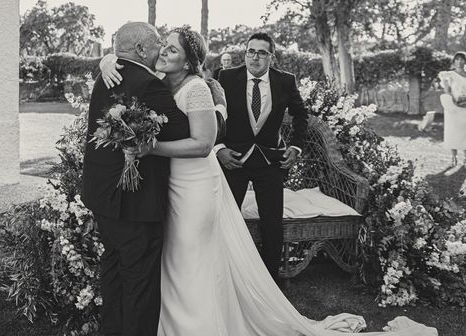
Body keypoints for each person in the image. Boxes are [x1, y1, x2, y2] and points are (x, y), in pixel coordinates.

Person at [100, 27, 436, 336]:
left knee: (199, 253)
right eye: (163, 46)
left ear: (189, 59)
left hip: (208, 182)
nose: (163, 51)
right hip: (180, 183)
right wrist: (106, 60)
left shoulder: (201, 87)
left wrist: (152, 147)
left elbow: (205, 140)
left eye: (171, 48)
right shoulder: (162, 80)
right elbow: (128, 63)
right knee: (176, 256)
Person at [82, 22, 190, 336]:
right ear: (142, 49)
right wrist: (218, 106)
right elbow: (183, 131)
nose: (161, 50)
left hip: (102, 197)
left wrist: (104, 59)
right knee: (139, 286)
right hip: (135, 204)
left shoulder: (106, 75)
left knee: (114, 271)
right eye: (158, 43)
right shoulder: (148, 84)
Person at [215, 32, 307, 281]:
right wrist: (219, 148)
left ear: (271, 57)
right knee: (226, 219)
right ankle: (226, 275)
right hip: (234, 159)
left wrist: (296, 148)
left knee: (272, 224)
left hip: (270, 160)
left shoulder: (285, 81)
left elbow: (301, 115)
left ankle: (269, 281)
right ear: (245, 54)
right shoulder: (226, 77)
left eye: (261, 52)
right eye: (250, 51)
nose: (255, 57)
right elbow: (213, 115)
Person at [439, 51, 466, 166]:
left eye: (462, 59)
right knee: (452, 132)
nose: (460, 62)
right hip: (453, 107)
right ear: (454, 61)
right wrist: (455, 100)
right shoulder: (449, 74)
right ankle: (453, 158)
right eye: (457, 59)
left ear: (465, 61)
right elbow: (447, 91)